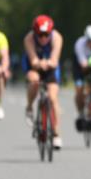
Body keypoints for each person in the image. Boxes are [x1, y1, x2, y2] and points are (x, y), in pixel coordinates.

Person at [23, 14, 64, 149]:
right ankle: (29, 107)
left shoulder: (57, 37)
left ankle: (56, 134)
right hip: (33, 65)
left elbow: (55, 59)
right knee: (34, 80)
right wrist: (38, 63)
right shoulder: (29, 39)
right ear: (35, 33)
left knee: (52, 98)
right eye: (40, 35)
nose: (43, 38)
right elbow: (33, 60)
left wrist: (49, 63)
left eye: (46, 35)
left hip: (50, 66)